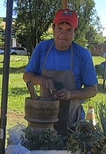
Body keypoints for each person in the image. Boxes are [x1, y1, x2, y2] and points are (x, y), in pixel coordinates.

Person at [23, 8, 98, 136]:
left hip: (72, 121)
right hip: (43, 119)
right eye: (59, 28)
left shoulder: (82, 55)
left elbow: (92, 90)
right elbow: (27, 76)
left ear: (76, 32)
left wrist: (70, 94)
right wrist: (42, 80)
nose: (63, 34)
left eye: (69, 30)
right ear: (53, 28)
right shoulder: (42, 49)